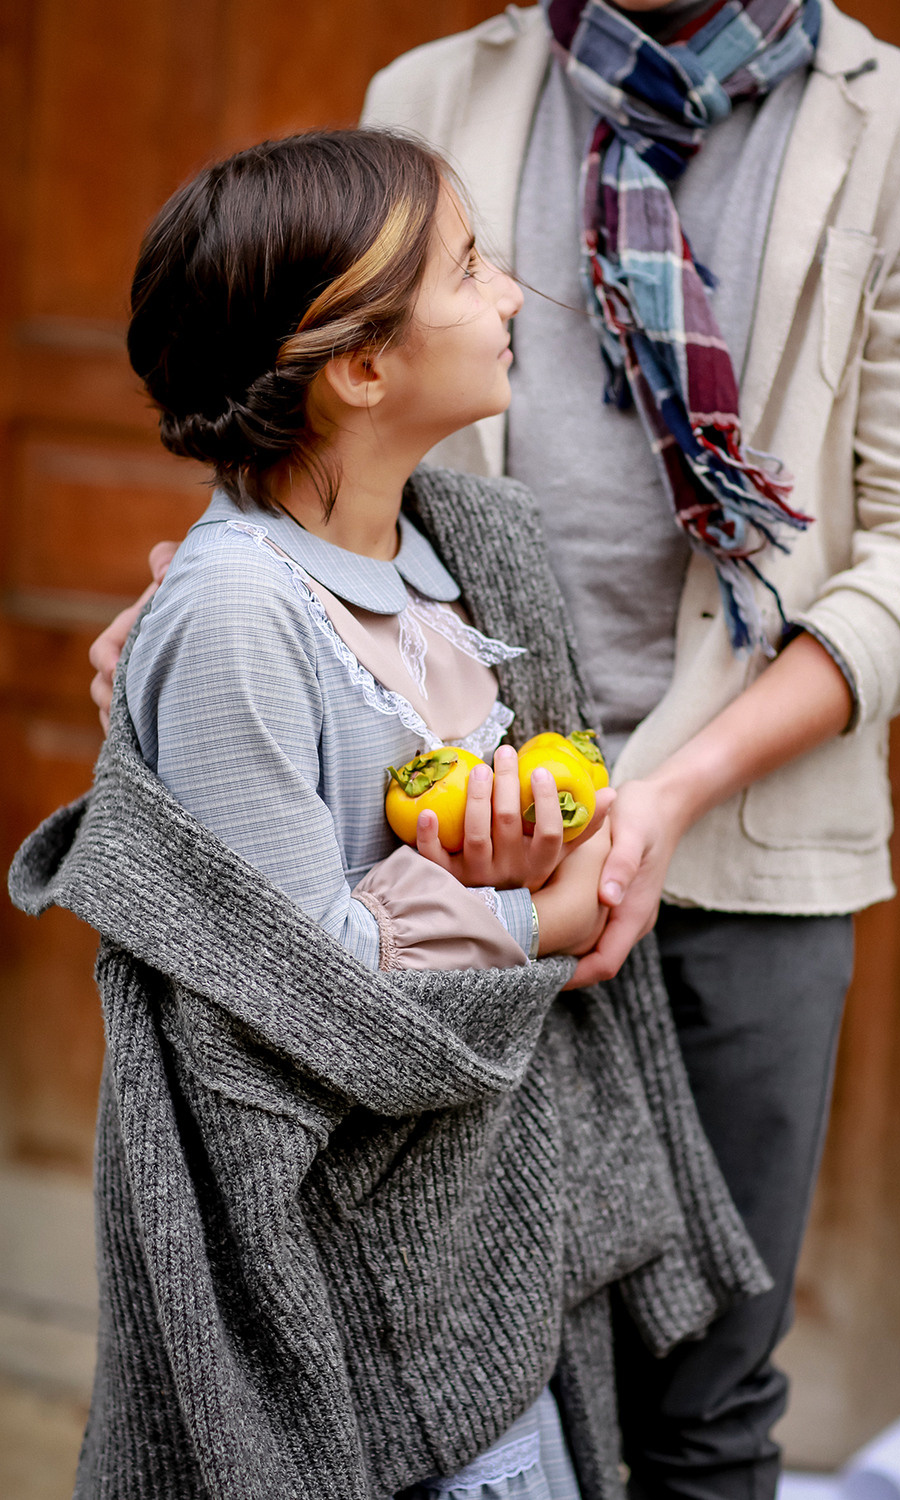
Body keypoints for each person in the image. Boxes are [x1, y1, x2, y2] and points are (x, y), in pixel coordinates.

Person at [87, 2, 900, 1495]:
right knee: (515, 1352)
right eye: (475, 271)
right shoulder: (435, 91)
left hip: (745, 834)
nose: (512, 294)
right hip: (452, 829)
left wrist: (653, 804)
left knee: (707, 1390)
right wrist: (219, 613)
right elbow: (315, 443)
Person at [12, 129, 769, 1500]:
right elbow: (311, 999)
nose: (511, 295)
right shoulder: (242, 618)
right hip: (345, 1296)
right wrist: (539, 911)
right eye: (471, 267)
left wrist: (539, 858)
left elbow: (570, 794)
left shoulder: (472, 553)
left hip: (487, 1247)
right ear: (360, 369)